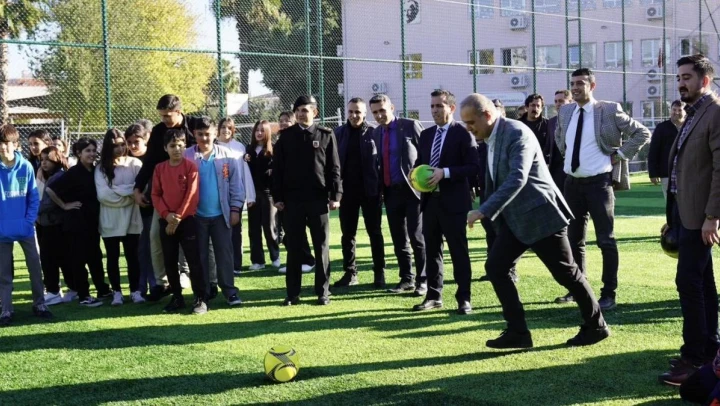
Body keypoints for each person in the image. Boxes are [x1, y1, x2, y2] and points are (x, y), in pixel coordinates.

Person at [462, 93, 609, 348]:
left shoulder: (516, 133)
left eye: (471, 122)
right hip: (517, 219)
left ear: (487, 115)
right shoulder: (491, 137)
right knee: (496, 268)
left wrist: (484, 210)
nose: (468, 128)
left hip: (541, 217)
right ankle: (518, 333)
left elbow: (517, 178)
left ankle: (596, 327)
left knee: (567, 274)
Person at [554, 68, 651, 310]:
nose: (575, 87)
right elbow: (559, 137)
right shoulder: (565, 111)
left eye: (580, 83)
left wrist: (620, 154)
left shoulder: (608, 109)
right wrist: (568, 158)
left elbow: (642, 133)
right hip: (572, 184)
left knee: (606, 240)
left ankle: (609, 294)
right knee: (573, 240)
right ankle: (578, 290)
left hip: (599, 184)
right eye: (573, 83)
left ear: (592, 86)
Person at [658, 55, 720, 386]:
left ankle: (694, 359)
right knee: (703, 284)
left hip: (702, 218)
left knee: (689, 283)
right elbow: (683, 172)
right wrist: (673, 218)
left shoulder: (715, 112)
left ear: (704, 81)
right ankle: (709, 351)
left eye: (687, 77)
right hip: (686, 216)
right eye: (679, 77)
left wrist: (713, 216)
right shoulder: (693, 114)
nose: (681, 83)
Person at [411, 90, 479, 315]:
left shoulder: (463, 133)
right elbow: (421, 163)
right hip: (430, 202)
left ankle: (464, 298)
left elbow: (473, 167)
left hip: (454, 203)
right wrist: (414, 175)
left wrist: (445, 173)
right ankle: (433, 296)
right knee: (432, 251)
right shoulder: (426, 134)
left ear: (451, 107)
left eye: (439, 106)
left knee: (459, 252)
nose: (435, 110)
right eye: (432, 106)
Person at [272, 95, 341, 306]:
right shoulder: (285, 137)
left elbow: (334, 168)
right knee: (294, 248)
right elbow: (278, 170)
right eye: (298, 110)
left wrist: (335, 196)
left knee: (321, 246)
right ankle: (292, 294)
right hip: (292, 201)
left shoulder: (326, 135)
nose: (301, 114)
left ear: (315, 112)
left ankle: (323, 292)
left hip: (317, 200)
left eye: (305, 110)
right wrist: (277, 197)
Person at [133, 95, 199, 301]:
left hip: (192, 196)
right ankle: (162, 283)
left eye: (167, 116)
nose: (164, 120)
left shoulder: (195, 125)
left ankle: (192, 277)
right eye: (161, 116)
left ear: (179, 112)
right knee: (155, 235)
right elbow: (149, 163)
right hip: (164, 199)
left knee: (191, 239)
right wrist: (137, 188)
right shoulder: (159, 132)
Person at [184, 117, 244, 307]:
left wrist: (235, 209)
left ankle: (230, 291)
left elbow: (236, 185)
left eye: (208, 134)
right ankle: (203, 293)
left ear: (215, 134)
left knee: (224, 254)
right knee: (199, 256)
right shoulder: (186, 156)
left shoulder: (226, 155)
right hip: (196, 216)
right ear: (194, 134)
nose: (204, 138)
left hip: (221, 215)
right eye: (200, 134)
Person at [370, 94, 427, 295]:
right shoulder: (376, 133)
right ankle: (406, 278)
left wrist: (422, 180)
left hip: (412, 191)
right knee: (398, 238)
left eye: (382, 110)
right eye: (375, 112)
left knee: (416, 237)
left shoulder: (410, 126)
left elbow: (426, 153)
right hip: (390, 192)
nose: (379, 115)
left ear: (392, 108)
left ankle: (423, 280)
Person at [45, 137, 110, 307]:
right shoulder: (73, 173)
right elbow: (51, 189)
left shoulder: (96, 171)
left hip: (92, 223)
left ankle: (102, 289)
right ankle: (84, 296)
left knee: (95, 257)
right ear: (79, 153)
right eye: (87, 150)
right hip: (76, 224)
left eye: (93, 150)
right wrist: (64, 205)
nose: (91, 154)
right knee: (79, 260)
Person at [0, 124, 53, 326]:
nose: (3, 147)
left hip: (25, 229)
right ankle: (6, 310)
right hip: (1, 231)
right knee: (4, 273)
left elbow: (33, 198)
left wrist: (28, 221)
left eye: (7, 143)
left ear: (16, 145)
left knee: (35, 268)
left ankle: (40, 305)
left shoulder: (26, 167)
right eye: (0, 144)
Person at [151, 129, 208, 314]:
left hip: (187, 221)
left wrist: (177, 218)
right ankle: (177, 297)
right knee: (169, 261)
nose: (177, 149)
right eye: (173, 146)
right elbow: (156, 194)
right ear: (165, 148)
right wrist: (167, 215)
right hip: (166, 222)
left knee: (194, 260)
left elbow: (192, 195)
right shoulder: (159, 169)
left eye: (180, 145)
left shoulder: (191, 167)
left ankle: (200, 298)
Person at [333, 97, 386, 288]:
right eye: (351, 112)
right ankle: (350, 273)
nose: (354, 115)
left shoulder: (375, 133)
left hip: (371, 192)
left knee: (375, 233)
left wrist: (381, 188)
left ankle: (379, 273)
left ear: (364, 113)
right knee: (348, 234)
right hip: (346, 193)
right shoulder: (338, 133)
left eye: (358, 112)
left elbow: (381, 163)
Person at [95, 128, 144, 306]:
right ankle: (117, 292)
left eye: (123, 144)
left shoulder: (135, 164)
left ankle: (135, 291)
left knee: (133, 257)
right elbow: (103, 195)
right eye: (115, 146)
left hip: (132, 219)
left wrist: (118, 190)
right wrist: (129, 194)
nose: (120, 148)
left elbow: (141, 189)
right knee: (113, 257)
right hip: (110, 220)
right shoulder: (101, 168)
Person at [275, 110, 315, 274]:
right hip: (284, 194)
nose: (283, 123)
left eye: (287, 120)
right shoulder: (280, 141)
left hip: (302, 195)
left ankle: (308, 260)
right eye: (281, 120)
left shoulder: (299, 139)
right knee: (288, 231)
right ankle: (297, 260)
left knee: (298, 230)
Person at [216, 116, 256, 275]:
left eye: (229, 127)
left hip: (235, 196)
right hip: (218, 195)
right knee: (219, 231)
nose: (225, 130)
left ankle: (236, 265)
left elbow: (244, 173)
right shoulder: (212, 146)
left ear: (233, 130)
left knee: (235, 231)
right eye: (223, 127)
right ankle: (219, 265)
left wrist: (250, 195)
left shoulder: (239, 147)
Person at [36, 146, 72, 305]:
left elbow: (48, 203)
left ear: (56, 159)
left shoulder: (58, 176)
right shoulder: (51, 176)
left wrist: (31, 211)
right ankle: (68, 288)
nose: (44, 163)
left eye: (47, 160)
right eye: (42, 160)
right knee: (59, 258)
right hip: (49, 223)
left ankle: (53, 291)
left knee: (50, 259)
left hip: (54, 224)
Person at [245, 120, 281, 271]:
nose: (259, 133)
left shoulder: (273, 149)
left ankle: (275, 256)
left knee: (269, 227)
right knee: (253, 229)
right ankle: (258, 261)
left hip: (268, 194)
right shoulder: (248, 149)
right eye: (257, 130)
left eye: (262, 130)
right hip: (253, 194)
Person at [126, 123, 156, 297]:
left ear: (146, 139)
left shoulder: (153, 158)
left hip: (152, 209)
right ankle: (140, 287)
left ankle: (156, 284)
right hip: (133, 213)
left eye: (136, 141)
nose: (133, 146)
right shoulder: (125, 160)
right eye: (129, 142)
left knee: (153, 250)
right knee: (140, 251)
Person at [648, 100, 686, 200]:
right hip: (667, 173)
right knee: (671, 202)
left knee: (687, 202)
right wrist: (653, 173)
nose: (676, 112)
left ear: (685, 111)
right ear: (670, 110)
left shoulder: (690, 127)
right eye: (674, 109)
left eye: (680, 110)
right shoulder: (661, 128)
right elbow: (653, 151)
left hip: (687, 172)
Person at [546, 90, 572, 191]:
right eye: (556, 101)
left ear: (570, 102)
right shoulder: (551, 122)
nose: (557, 104)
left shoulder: (577, 120)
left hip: (573, 168)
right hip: (556, 169)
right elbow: (548, 145)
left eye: (561, 101)